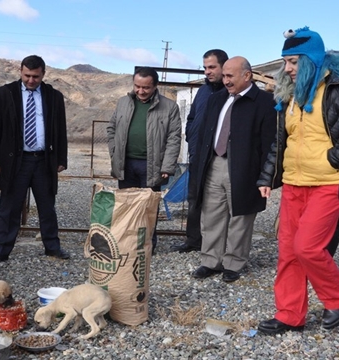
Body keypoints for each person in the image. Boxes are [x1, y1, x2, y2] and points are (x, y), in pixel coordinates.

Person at [256, 27, 339, 335]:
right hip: (293, 182)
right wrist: (267, 176)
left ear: (312, 59)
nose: (286, 68)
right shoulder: (290, 94)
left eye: (293, 62)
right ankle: (290, 315)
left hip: (330, 181)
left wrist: (333, 158)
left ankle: (337, 296)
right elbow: (281, 139)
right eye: (286, 61)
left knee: (307, 247)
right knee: (288, 251)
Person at [189, 56, 277, 282]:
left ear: (247, 76)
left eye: (230, 76)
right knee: (211, 215)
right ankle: (210, 260)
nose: (225, 80)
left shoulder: (265, 103)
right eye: (224, 75)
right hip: (214, 164)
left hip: (246, 168)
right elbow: (206, 135)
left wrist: (266, 177)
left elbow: (271, 143)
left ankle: (234, 263)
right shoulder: (217, 99)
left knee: (241, 217)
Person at [0, 55, 69, 265]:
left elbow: (61, 130)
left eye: (35, 76)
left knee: (47, 207)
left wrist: (61, 158)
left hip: (43, 161)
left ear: (43, 74)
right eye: (27, 76)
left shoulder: (54, 96)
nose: (31, 80)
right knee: (9, 207)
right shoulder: (4, 94)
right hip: (16, 162)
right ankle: (0, 251)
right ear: (20, 72)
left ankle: (52, 247)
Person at [107, 66, 181, 254]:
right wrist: (114, 152)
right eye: (137, 86)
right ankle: (127, 244)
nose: (140, 91)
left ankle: (147, 246)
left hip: (152, 166)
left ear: (155, 86)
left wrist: (167, 166)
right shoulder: (123, 102)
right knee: (126, 206)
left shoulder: (170, 107)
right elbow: (112, 129)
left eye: (146, 88)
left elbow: (174, 138)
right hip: (126, 164)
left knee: (148, 208)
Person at [171, 49, 228, 253]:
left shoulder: (230, 92)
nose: (207, 72)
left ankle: (217, 244)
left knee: (217, 203)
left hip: (218, 158)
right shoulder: (203, 91)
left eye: (212, 67)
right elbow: (192, 117)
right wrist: (190, 138)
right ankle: (193, 240)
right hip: (197, 155)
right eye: (205, 68)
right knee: (194, 197)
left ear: (224, 66)